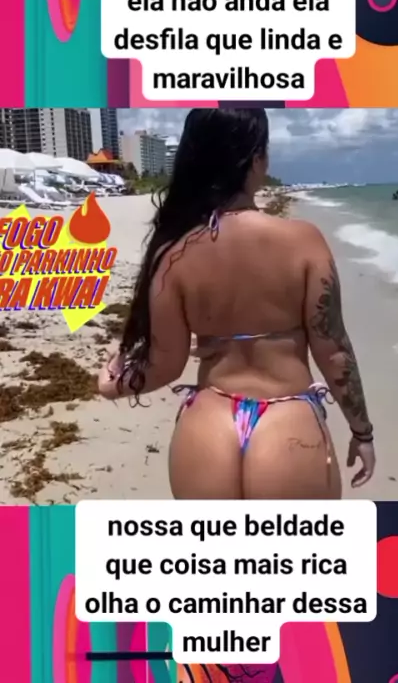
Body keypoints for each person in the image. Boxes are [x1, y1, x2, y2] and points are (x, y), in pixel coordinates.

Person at [98, 108, 375, 499]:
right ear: (257, 159)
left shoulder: (173, 253)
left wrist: (112, 383)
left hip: (207, 426)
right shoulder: (303, 241)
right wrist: (362, 432)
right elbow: (334, 352)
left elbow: (165, 365)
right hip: (289, 426)